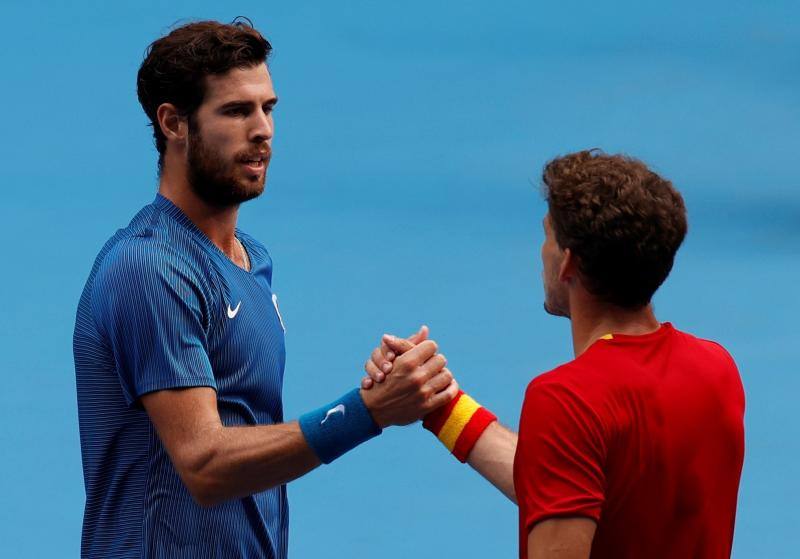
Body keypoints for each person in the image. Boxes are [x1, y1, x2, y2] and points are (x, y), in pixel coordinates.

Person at [73, 19, 458, 559]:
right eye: (235, 111)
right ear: (173, 123)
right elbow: (204, 464)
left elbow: (246, 434)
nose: (263, 130)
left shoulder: (252, 260)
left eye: (267, 108)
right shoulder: (148, 265)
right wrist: (367, 411)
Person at [365, 150, 745, 558]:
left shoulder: (568, 398)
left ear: (567, 263)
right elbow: (569, 481)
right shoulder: (715, 367)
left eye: (547, 235)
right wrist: (442, 406)